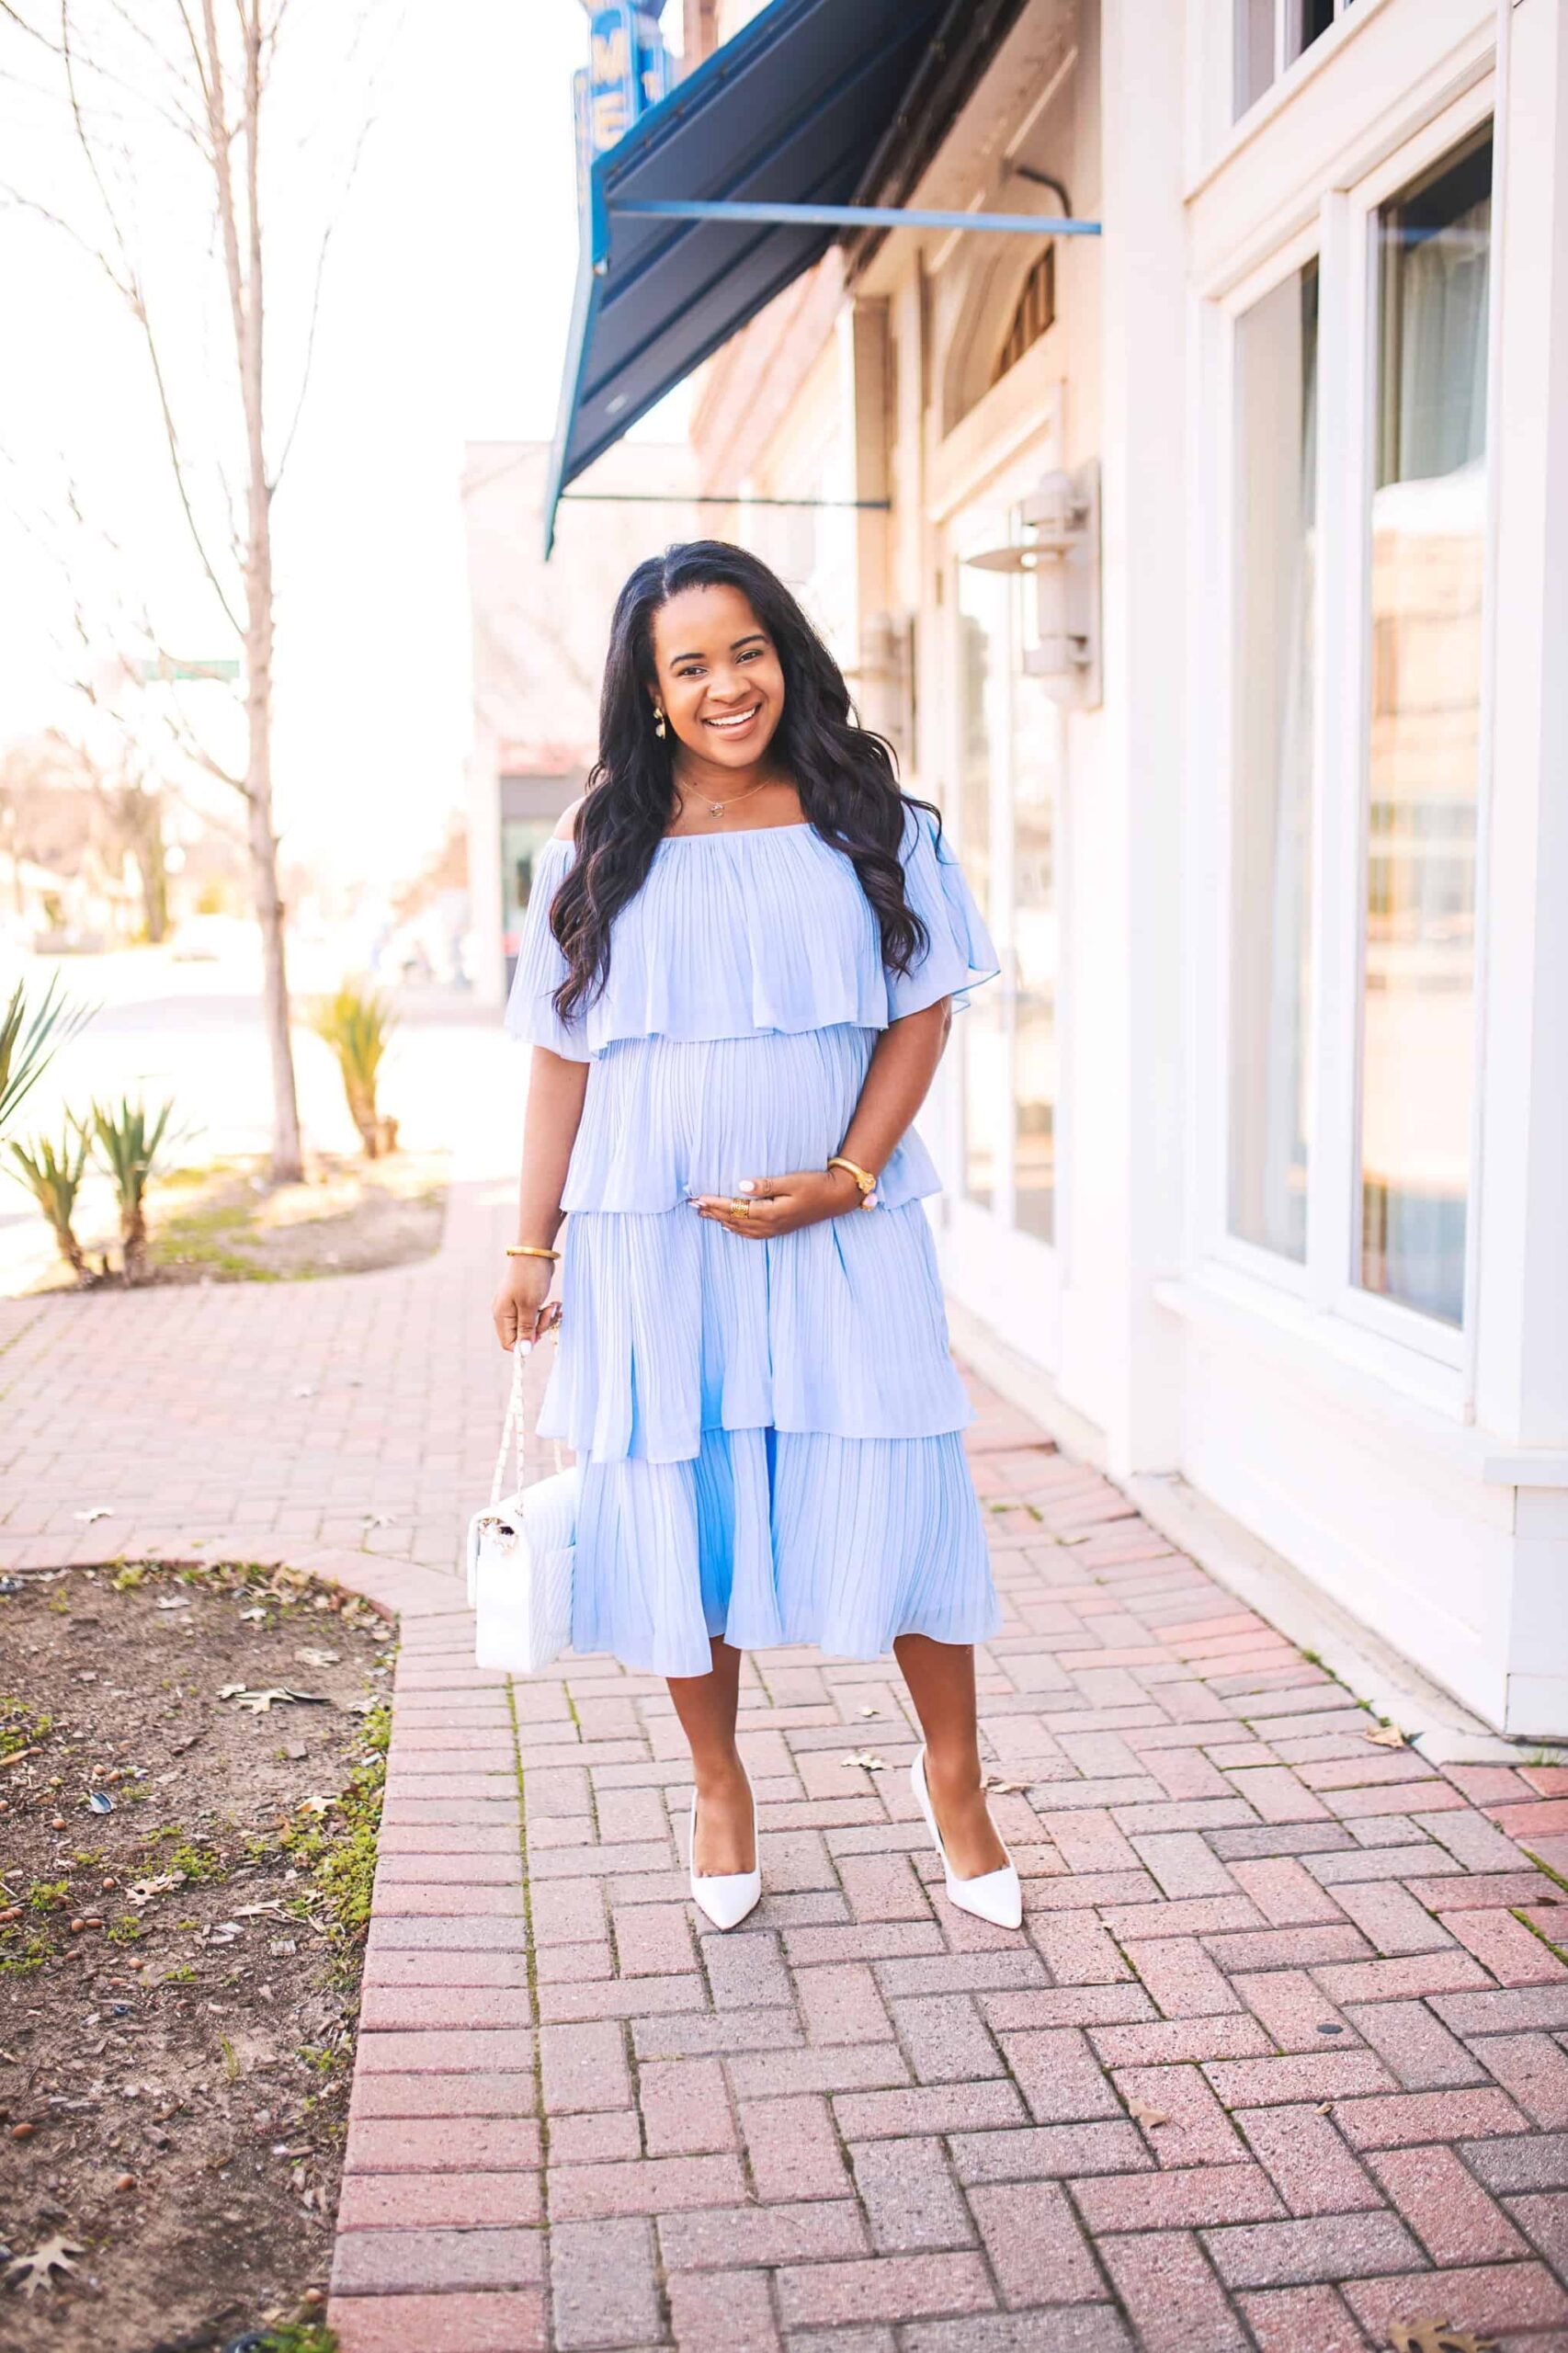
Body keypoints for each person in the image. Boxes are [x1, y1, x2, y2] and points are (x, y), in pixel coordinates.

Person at [492, 540, 1020, 1934]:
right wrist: (528, 1247)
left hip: (846, 1221)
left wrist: (849, 1174)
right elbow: (562, 1057)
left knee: (903, 1475)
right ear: (650, 692)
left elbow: (923, 1012)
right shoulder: (594, 842)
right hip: (652, 1236)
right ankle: (718, 1782)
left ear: (784, 654)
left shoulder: (875, 820)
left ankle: (954, 1776)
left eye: (748, 651)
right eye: (690, 665)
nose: (726, 685)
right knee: (683, 1493)